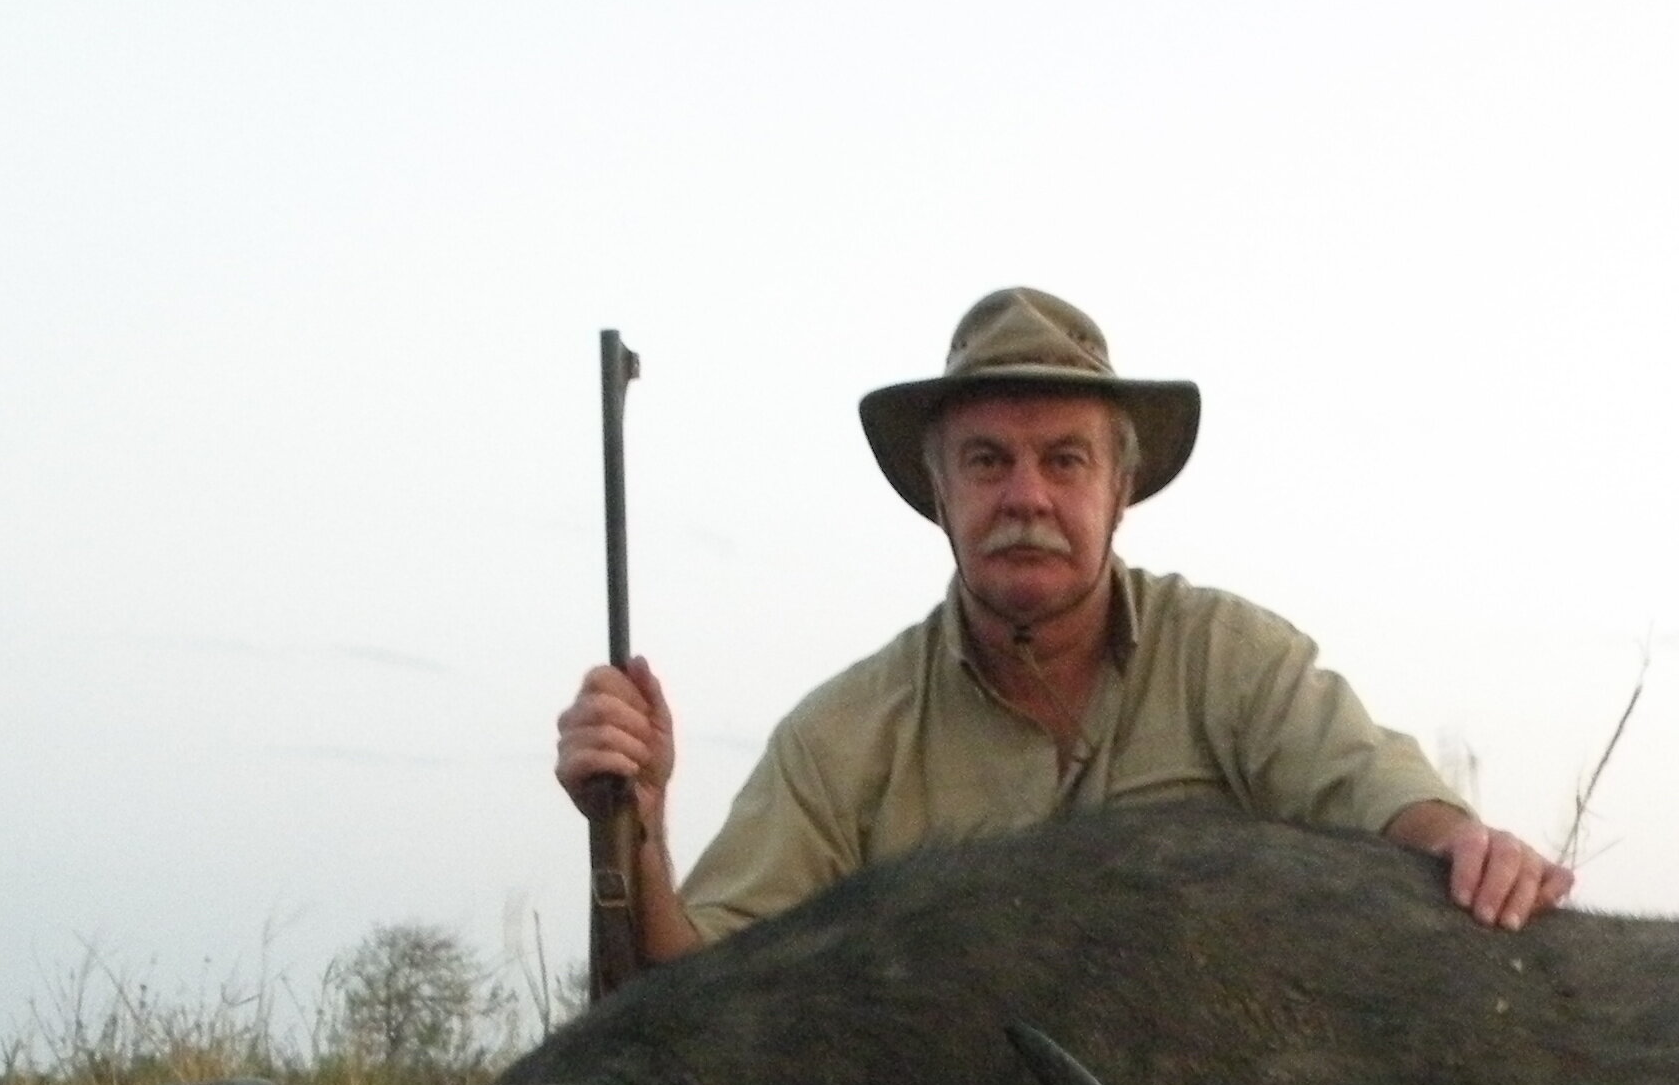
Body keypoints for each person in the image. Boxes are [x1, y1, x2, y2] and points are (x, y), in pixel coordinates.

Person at [553, 288, 1572, 960]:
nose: (1027, 496)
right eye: (988, 462)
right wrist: (635, 828)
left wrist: (1464, 844)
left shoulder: (1231, 658)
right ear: (940, 494)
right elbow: (705, 993)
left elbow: (1369, 786)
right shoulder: (841, 739)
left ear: (1121, 489)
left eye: (1066, 460)